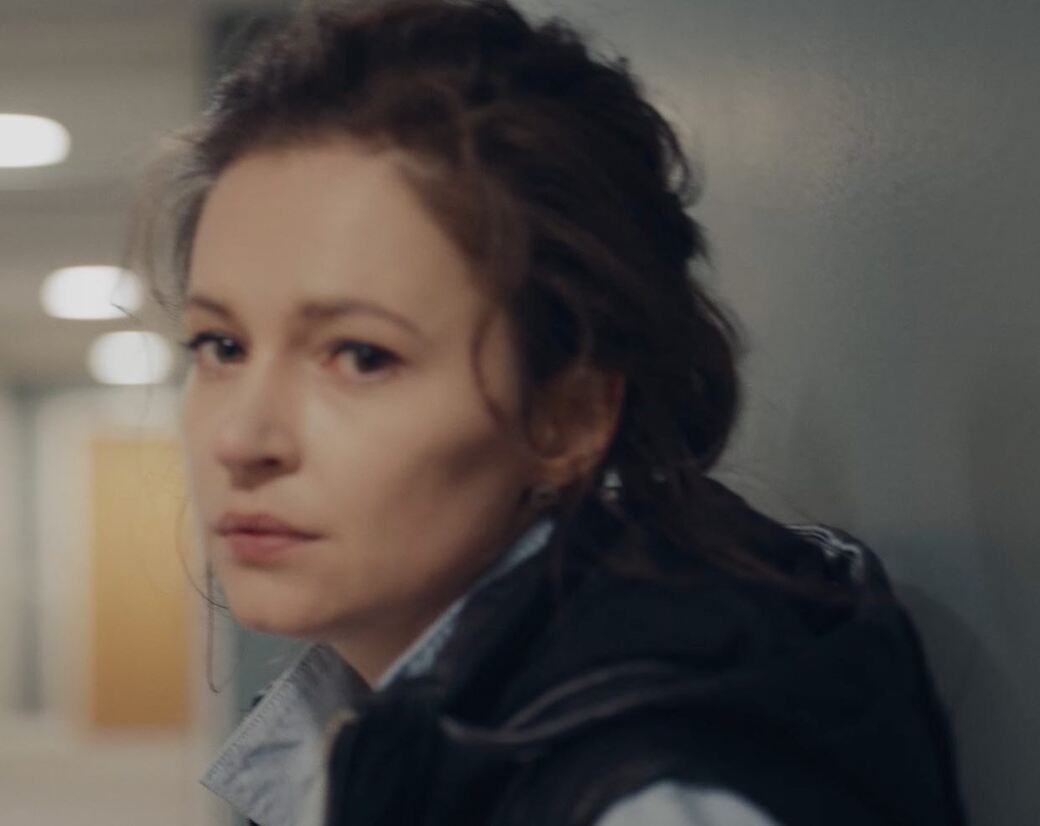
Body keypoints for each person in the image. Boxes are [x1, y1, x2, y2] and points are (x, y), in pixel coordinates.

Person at [137, 1, 968, 824]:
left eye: (361, 356)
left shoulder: (650, 799)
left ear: (567, 416)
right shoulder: (397, 724)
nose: (242, 439)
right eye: (221, 346)